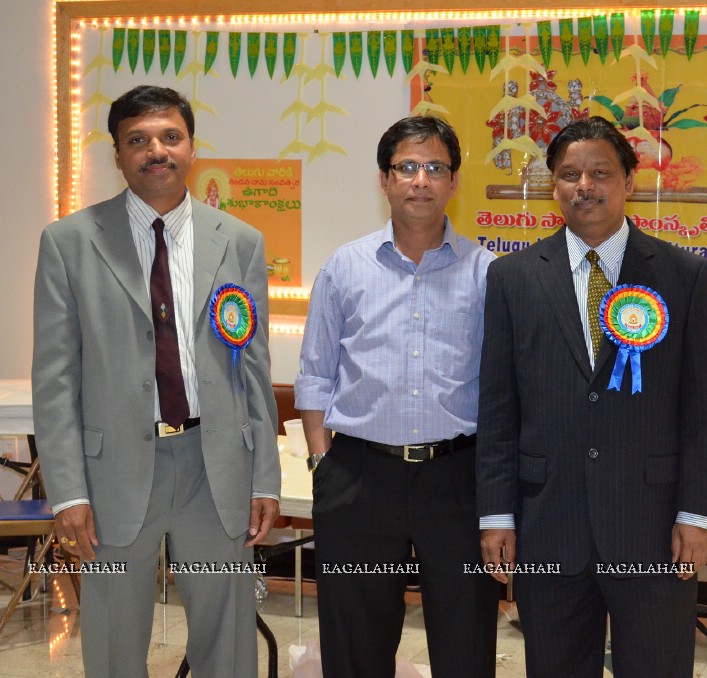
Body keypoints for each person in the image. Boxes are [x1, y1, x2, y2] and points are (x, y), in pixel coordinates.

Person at [32, 85, 280, 677]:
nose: (156, 151)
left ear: (192, 147)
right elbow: (56, 378)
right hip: (112, 471)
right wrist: (68, 492)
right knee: (115, 634)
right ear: (117, 155)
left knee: (228, 636)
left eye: (170, 137)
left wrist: (264, 476)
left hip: (213, 466)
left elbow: (254, 368)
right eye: (137, 140)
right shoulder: (69, 242)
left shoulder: (239, 242)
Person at [476, 115, 707, 678]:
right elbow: (496, 408)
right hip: (547, 521)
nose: (584, 186)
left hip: (653, 524)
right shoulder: (512, 278)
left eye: (600, 173)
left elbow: (701, 409)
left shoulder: (683, 275)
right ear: (553, 187)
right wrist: (496, 515)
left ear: (629, 182)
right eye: (569, 175)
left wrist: (697, 514)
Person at [295, 115, 499, 678]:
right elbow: (315, 374)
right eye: (406, 167)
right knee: (355, 641)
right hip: (359, 477)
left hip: (458, 479)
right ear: (384, 180)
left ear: (454, 182)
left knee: (466, 638)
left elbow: (503, 390)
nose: (420, 180)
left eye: (435, 168)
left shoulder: (488, 274)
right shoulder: (345, 267)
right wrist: (322, 460)